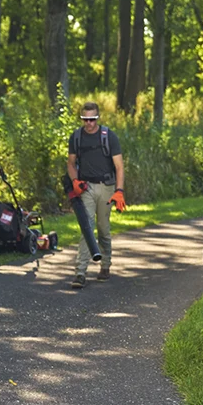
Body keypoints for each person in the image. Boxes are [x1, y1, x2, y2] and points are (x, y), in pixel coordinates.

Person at [67, 101, 125, 287]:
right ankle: (80, 273)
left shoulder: (109, 136)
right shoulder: (76, 137)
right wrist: (75, 181)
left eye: (92, 119)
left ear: (97, 118)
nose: (89, 123)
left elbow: (119, 166)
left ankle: (105, 264)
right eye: (85, 119)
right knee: (87, 227)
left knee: (103, 229)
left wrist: (119, 191)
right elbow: (70, 162)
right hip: (87, 188)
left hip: (106, 187)